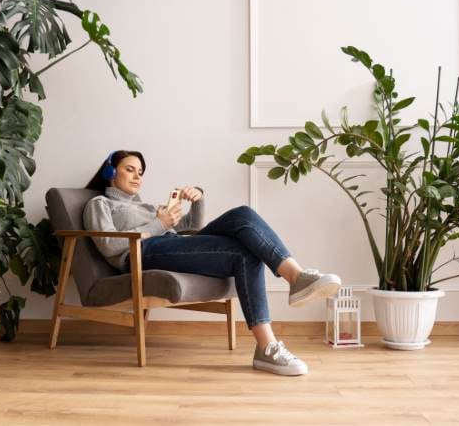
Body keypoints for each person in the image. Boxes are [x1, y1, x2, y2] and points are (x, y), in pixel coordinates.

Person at [83, 150, 342, 376]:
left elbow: (192, 227)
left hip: (169, 245)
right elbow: (110, 245)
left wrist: (197, 200)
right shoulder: (100, 203)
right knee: (243, 248)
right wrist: (159, 224)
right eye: (130, 169)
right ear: (110, 172)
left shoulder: (150, 207)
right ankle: (272, 335)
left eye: (140, 171)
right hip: (141, 255)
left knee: (243, 216)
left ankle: (291, 287)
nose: (137, 176)